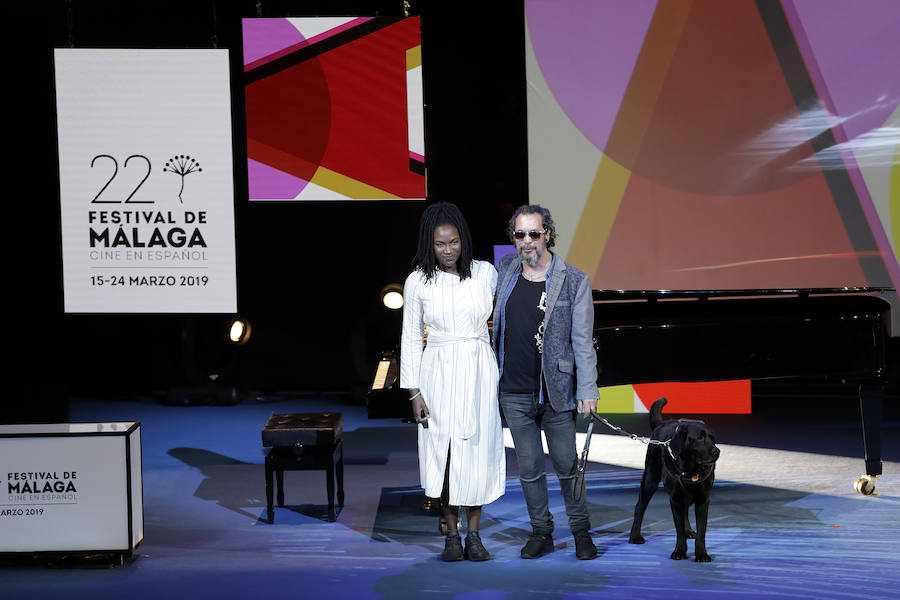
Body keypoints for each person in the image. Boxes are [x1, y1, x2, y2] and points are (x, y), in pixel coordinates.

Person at [491, 204, 599, 560]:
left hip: (557, 392)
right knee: (529, 470)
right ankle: (542, 532)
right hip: (514, 392)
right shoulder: (504, 271)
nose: (526, 242)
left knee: (568, 466)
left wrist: (587, 388)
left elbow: (583, 341)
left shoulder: (574, 280)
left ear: (547, 234)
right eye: (519, 235)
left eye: (533, 234)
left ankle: (581, 532)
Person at [400, 202, 505, 562]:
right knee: (442, 454)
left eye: (454, 242)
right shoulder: (417, 281)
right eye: (440, 244)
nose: (448, 251)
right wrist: (413, 391)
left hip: (478, 370)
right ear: (430, 245)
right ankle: (452, 534)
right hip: (437, 372)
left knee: (475, 453)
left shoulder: (485, 273)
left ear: (464, 241)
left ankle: (475, 535)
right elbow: (412, 338)